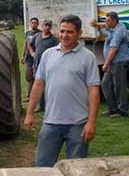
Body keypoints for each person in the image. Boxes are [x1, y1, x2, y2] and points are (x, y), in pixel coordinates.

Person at [23, 14, 101, 167]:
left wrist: (91, 122)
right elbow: (38, 85)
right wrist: (30, 112)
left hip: (78, 124)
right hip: (51, 122)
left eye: (70, 32)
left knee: (77, 169)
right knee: (42, 167)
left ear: (79, 33)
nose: (65, 35)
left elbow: (93, 91)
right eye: (62, 31)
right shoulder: (48, 55)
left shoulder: (88, 57)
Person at [91, 11, 129, 117]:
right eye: (106, 20)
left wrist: (105, 64)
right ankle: (113, 109)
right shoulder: (113, 27)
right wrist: (96, 25)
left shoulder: (119, 31)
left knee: (119, 87)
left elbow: (113, 50)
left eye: (108, 20)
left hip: (118, 62)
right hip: (112, 62)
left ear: (114, 21)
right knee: (105, 84)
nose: (106, 22)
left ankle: (122, 111)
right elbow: (104, 25)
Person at [32, 20, 59, 111]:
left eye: (49, 25)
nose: (47, 27)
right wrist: (32, 53)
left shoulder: (54, 39)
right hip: (36, 65)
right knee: (38, 84)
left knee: (49, 85)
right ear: (42, 26)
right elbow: (29, 43)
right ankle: (41, 105)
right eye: (45, 25)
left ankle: (50, 105)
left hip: (48, 66)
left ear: (51, 27)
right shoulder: (36, 36)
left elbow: (57, 51)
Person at [22, 17, 40, 102]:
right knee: (29, 77)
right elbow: (25, 44)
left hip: (37, 59)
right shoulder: (27, 33)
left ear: (38, 24)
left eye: (35, 23)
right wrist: (23, 55)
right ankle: (29, 96)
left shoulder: (40, 33)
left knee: (37, 78)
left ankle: (38, 97)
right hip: (28, 59)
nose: (34, 24)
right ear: (30, 23)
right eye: (32, 23)